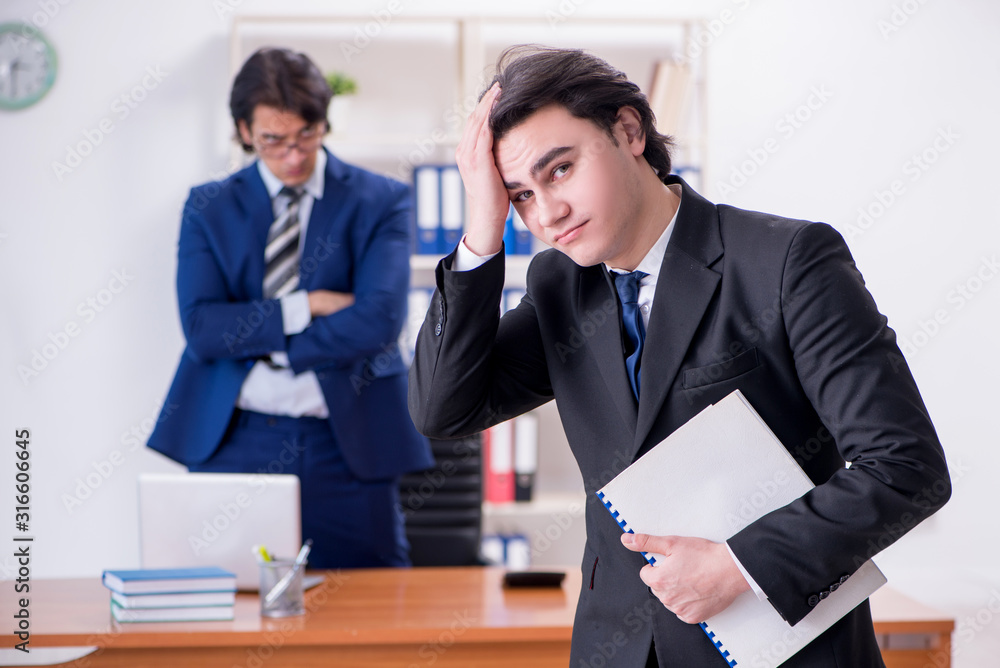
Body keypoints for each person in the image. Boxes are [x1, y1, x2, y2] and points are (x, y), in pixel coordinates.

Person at [408, 46, 950, 666]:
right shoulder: (560, 285)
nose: (548, 213)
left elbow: (906, 467)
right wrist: (483, 229)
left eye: (559, 170)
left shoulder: (786, 261)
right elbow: (443, 410)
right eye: (521, 195)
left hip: (778, 645)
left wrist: (740, 564)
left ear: (628, 131)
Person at [148, 47, 433, 569]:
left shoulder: (380, 199)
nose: (294, 156)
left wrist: (265, 341)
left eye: (307, 134)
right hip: (233, 436)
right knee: (230, 595)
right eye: (273, 141)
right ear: (244, 132)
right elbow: (203, 328)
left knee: (375, 598)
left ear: (324, 122)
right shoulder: (209, 207)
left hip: (346, 438)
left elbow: (379, 320)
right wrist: (307, 306)